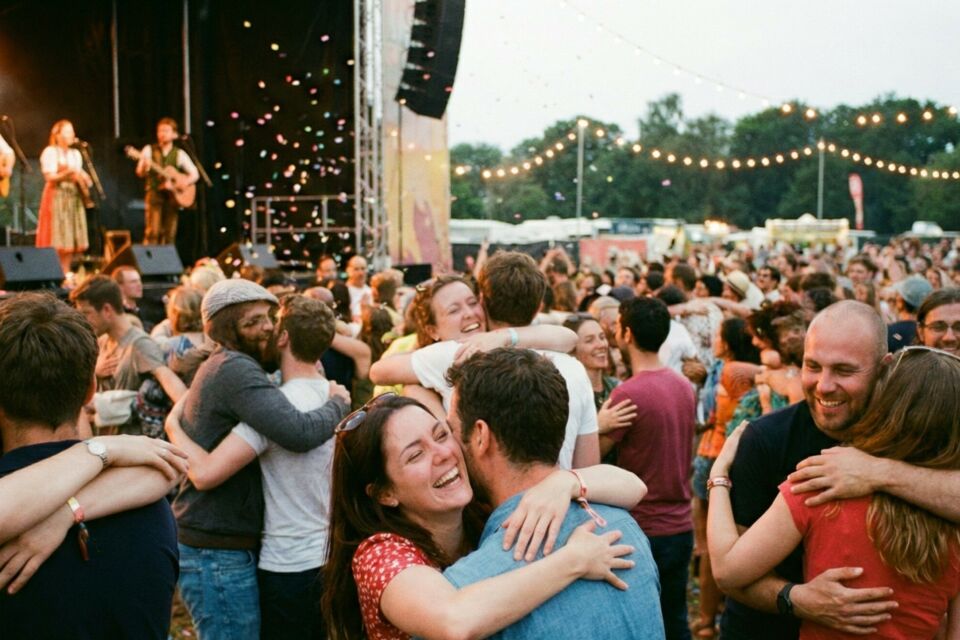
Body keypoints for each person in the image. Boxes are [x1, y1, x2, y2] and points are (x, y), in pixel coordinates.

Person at [323, 353, 663, 640]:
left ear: (480, 436)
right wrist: (572, 561)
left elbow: (635, 487)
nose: (443, 453)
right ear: (385, 493)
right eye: (415, 455)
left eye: (442, 433)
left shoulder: (484, 508)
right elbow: (454, 620)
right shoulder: (381, 553)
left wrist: (565, 482)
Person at [719, 300, 960, 639]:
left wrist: (879, 473)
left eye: (844, 371)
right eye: (812, 366)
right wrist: (795, 598)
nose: (824, 385)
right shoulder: (765, 440)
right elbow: (733, 573)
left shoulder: (919, 439)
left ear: (884, 368)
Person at [170, 279, 350, 640]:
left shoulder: (239, 371)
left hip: (238, 547)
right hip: (216, 547)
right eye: (253, 321)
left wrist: (173, 424)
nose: (267, 327)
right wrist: (338, 404)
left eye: (269, 318)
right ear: (225, 329)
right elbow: (299, 432)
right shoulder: (238, 370)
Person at [442, 348, 664, 638]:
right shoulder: (625, 527)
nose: (449, 447)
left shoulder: (464, 590)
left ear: (481, 436)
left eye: (452, 430)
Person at [0, 292, 186, 638]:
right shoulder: (147, 509)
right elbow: (171, 467)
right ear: (91, 389)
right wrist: (101, 449)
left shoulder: (135, 488)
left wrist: (67, 510)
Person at [370, 252, 597, 469]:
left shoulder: (454, 354)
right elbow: (588, 468)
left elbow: (378, 371)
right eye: (454, 310)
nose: (469, 313)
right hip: (558, 491)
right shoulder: (572, 366)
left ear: (483, 302)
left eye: (471, 303)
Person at [603, 296, 697, 640]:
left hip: (644, 527)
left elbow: (591, 458)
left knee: (639, 624)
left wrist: (596, 424)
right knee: (675, 618)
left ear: (626, 333)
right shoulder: (683, 386)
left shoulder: (627, 394)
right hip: (680, 524)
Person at [690, 317, 760, 638]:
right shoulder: (733, 370)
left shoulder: (733, 371)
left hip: (714, 455)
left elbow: (724, 416)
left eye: (719, 335)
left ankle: (706, 620)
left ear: (729, 341)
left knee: (709, 544)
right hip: (729, 453)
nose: (714, 340)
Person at [70, 275, 186, 435]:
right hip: (107, 443)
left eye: (87, 313)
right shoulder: (102, 342)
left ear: (107, 310)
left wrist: (180, 424)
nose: (83, 320)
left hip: (131, 444)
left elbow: (174, 387)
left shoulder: (140, 344)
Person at [35, 119, 91, 273]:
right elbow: (49, 177)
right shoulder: (50, 152)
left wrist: (85, 179)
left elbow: (79, 174)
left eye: (72, 131)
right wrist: (67, 172)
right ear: (57, 135)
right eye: (67, 132)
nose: (72, 135)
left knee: (69, 235)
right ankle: (53, 271)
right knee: (57, 234)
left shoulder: (76, 154)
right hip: (57, 195)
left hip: (73, 196)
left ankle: (66, 271)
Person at [135, 117, 199, 245]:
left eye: (166, 131)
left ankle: (167, 257)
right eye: (160, 131)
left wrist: (183, 182)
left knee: (170, 232)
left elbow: (195, 174)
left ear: (174, 134)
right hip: (154, 193)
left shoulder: (179, 153)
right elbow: (139, 173)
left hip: (172, 197)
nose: (162, 134)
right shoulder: (149, 150)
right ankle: (150, 256)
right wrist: (143, 167)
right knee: (153, 231)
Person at [916, 287, 960, 356]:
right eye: (938, 327)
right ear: (921, 332)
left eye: (959, 328)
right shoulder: (902, 362)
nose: (949, 337)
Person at [345, 255, 372, 321]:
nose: (361, 273)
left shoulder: (371, 291)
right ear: (348, 271)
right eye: (356, 269)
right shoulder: (344, 291)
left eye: (363, 268)